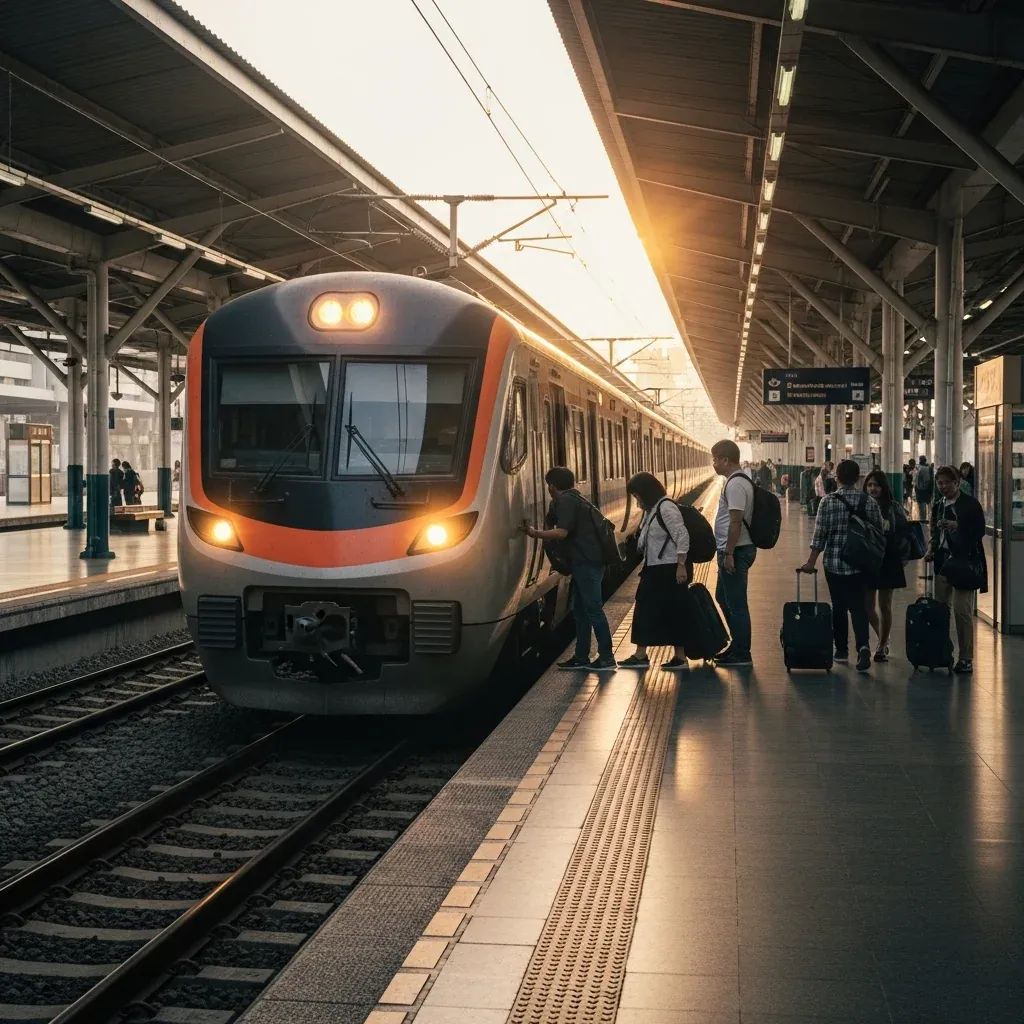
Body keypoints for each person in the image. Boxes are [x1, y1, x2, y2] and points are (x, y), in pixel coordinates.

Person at [524, 466, 616, 671]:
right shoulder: (574, 498)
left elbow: (562, 532)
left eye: (548, 485)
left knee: (593, 609)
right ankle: (581, 656)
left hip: (587, 563)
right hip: (586, 562)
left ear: (552, 485)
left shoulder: (566, 501)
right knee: (581, 611)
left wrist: (534, 533)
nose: (548, 488)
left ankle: (607, 657)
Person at [799, 459, 884, 673]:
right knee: (859, 606)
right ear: (858, 478)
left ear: (836, 477)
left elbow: (820, 536)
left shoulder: (827, 502)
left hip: (834, 563)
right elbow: (878, 533)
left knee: (838, 606)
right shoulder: (869, 502)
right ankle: (863, 646)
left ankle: (842, 651)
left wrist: (810, 562)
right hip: (860, 564)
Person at [619, 472, 691, 671]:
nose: (636, 501)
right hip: (654, 569)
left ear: (645, 493)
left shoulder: (667, 508)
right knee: (645, 610)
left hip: (669, 569)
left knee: (673, 612)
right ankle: (642, 653)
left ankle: (679, 657)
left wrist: (681, 565)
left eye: (637, 496)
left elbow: (682, 536)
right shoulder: (654, 509)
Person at [926, 465, 987, 674]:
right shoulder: (938, 505)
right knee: (941, 609)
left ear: (957, 483)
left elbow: (979, 531)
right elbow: (934, 531)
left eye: (947, 483)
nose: (943, 487)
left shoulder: (970, 505)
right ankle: (942, 652)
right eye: (940, 483)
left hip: (964, 562)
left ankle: (966, 657)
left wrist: (957, 526)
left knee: (962, 610)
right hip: (943, 561)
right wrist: (931, 549)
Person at [711, 439, 756, 667]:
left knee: (737, 604)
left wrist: (728, 553)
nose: (714, 464)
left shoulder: (736, 484)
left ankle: (742, 652)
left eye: (715, 459)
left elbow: (736, 522)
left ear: (725, 460)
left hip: (736, 551)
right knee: (723, 597)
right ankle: (736, 645)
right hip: (733, 550)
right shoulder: (735, 481)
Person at [861, 469, 907, 662]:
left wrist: (903, 556)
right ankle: (883, 639)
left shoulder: (894, 508)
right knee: (867, 606)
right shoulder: (861, 506)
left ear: (883, 487)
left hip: (889, 559)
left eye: (877, 485)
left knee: (885, 604)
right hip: (869, 559)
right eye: (870, 485)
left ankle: (881, 646)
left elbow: (903, 532)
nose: (873, 488)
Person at [913, 455, 933, 521]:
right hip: (923, 491)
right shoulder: (924, 468)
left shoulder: (919, 468)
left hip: (921, 491)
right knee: (925, 508)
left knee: (922, 509)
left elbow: (924, 481)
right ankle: (926, 521)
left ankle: (923, 522)